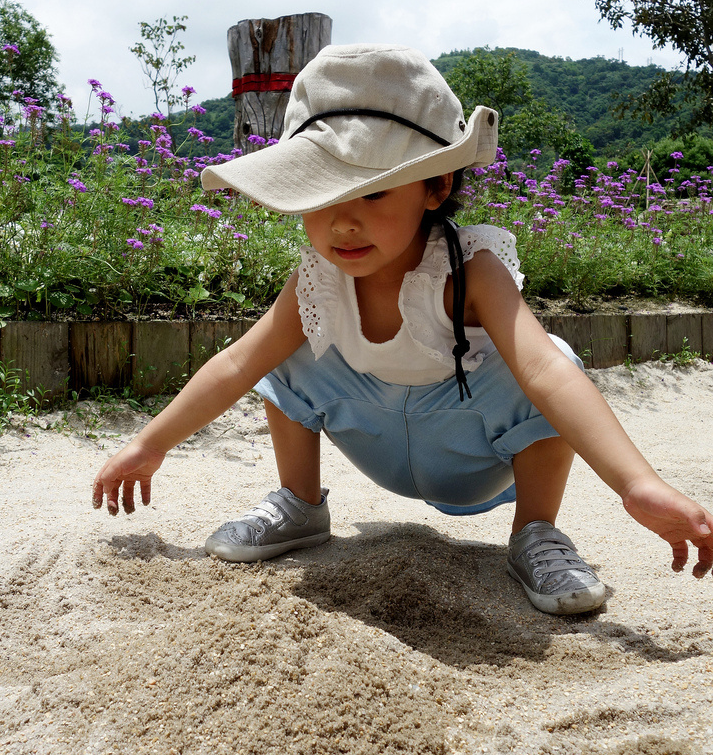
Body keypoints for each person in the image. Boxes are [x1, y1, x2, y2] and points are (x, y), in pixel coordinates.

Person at [92, 43, 713, 615]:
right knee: (279, 352)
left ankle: (536, 533)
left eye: (374, 194)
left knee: (553, 357)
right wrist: (150, 444)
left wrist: (638, 486)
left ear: (436, 186)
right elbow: (235, 365)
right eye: (321, 199)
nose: (342, 225)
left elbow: (546, 373)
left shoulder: (470, 269)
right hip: (376, 436)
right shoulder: (317, 278)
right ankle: (301, 504)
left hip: (469, 447)